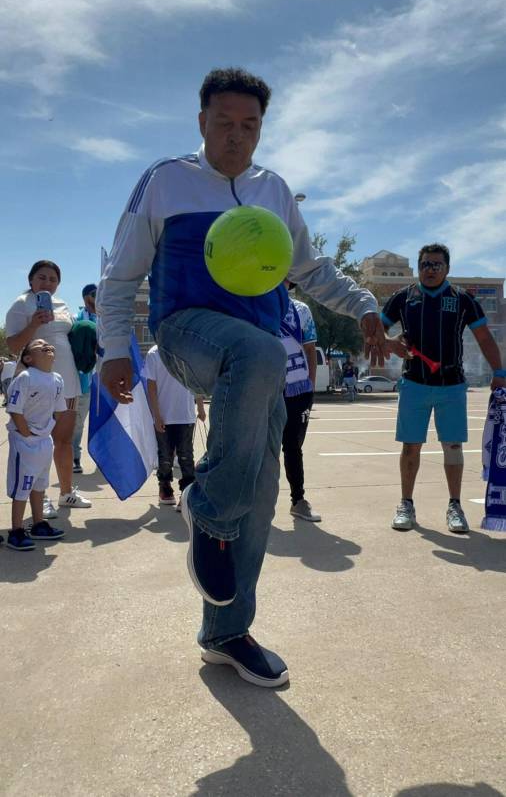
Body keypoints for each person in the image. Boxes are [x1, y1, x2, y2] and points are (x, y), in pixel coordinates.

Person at [97, 67, 387, 688]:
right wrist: (112, 350)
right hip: (187, 333)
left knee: (260, 489)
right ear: (201, 122)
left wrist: (364, 304)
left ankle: (225, 632)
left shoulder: (273, 190)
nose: (236, 136)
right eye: (224, 123)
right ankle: (206, 504)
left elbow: (310, 268)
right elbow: (121, 275)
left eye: (249, 125)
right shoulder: (165, 180)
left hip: (259, 358)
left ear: (261, 128)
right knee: (254, 359)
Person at [382, 243, 505, 533]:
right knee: (411, 445)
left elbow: (485, 338)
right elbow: (377, 330)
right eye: (425, 264)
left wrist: (499, 372)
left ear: (447, 268)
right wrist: (389, 343)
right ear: (419, 267)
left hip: (452, 386)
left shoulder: (462, 299)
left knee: (452, 447)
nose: (431, 269)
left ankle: (454, 506)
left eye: (437, 264)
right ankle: (406, 504)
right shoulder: (403, 297)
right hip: (414, 384)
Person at [5, 260, 92, 517]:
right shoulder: (21, 305)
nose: (47, 282)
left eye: (53, 279)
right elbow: (12, 346)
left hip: (65, 382)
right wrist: (33, 324)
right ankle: (38, 499)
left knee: (63, 441)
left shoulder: (63, 305)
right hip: (35, 387)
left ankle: (66, 494)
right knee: (35, 443)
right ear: (31, 280)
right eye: (42, 277)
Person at [5, 339, 66, 550]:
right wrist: (25, 432)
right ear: (29, 358)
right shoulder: (25, 377)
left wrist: (49, 426)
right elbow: (14, 408)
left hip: (44, 441)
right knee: (23, 486)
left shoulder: (57, 379)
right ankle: (16, 531)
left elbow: (59, 408)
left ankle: (39, 523)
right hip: (25, 442)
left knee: (39, 484)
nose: (46, 345)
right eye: (39, 345)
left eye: (49, 344)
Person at [144, 345, 206, 508]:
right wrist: (156, 415)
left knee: (186, 456)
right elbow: (151, 387)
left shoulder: (189, 351)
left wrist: (200, 407)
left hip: (185, 414)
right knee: (165, 456)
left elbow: (196, 382)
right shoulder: (154, 354)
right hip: (164, 415)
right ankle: (165, 487)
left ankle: (187, 492)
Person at [280, 283, 321, 522]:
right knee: (261, 448)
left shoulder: (300, 309)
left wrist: (310, 388)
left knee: (293, 447)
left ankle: (298, 500)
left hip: (297, 389)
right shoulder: (254, 304)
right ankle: (253, 502)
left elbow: (309, 350)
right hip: (265, 389)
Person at [72, 284, 97, 474]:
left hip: (105, 382)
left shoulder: (107, 319)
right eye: (93, 295)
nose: (97, 299)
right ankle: (74, 457)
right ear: (85, 298)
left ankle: (105, 458)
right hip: (83, 382)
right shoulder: (75, 320)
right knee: (78, 422)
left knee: (110, 419)